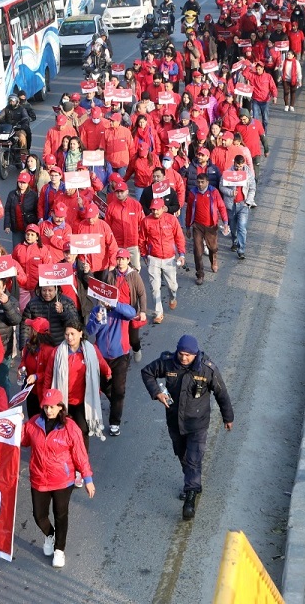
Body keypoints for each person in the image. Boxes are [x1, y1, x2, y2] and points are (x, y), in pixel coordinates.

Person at [140, 334, 234, 521]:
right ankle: (193, 482)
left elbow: (221, 393)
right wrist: (157, 392)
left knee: (193, 457)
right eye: (181, 354)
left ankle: (190, 498)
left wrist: (228, 417)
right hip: (175, 421)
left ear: (195, 354)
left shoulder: (207, 369)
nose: (184, 358)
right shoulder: (168, 363)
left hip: (197, 423)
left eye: (188, 355)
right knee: (182, 454)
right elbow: (147, 372)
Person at [21, 388, 95, 569]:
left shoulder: (70, 427)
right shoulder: (34, 423)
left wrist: (87, 478)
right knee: (39, 516)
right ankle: (49, 535)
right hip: (39, 478)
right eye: (46, 407)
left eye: (53, 407)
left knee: (60, 515)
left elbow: (80, 454)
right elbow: (23, 441)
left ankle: (59, 550)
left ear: (61, 407)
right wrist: (16, 423)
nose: (49, 410)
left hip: (63, 480)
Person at [83, 289, 138, 437]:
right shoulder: (97, 311)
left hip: (120, 356)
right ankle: (116, 404)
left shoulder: (120, 310)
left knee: (118, 390)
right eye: (102, 300)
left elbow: (132, 313)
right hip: (101, 358)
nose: (104, 303)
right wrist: (97, 320)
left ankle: (115, 422)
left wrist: (115, 305)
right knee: (105, 387)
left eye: (106, 300)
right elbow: (89, 331)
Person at [140, 197, 185, 324]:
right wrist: (144, 255)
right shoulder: (146, 221)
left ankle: (172, 298)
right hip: (153, 258)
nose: (155, 212)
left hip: (169, 258)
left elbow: (179, 237)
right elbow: (142, 239)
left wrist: (181, 254)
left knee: (173, 286)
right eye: (153, 209)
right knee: (155, 287)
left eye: (157, 209)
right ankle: (158, 313)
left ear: (163, 208)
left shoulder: (171, 219)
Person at [184, 172, 229, 284]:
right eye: (198, 182)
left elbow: (221, 207)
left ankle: (213, 260)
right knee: (197, 251)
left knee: (213, 248)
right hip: (197, 226)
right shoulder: (193, 193)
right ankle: (200, 274)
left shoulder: (214, 192)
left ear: (207, 182)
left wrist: (226, 222)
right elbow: (189, 210)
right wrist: (188, 227)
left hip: (211, 226)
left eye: (202, 182)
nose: (200, 184)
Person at [221, 153, 257, 260]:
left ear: (244, 164)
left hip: (243, 205)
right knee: (233, 227)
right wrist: (230, 193)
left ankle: (241, 250)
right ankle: (235, 241)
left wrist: (248, 202)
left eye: (241, 166)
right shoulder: (228, 173)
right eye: (237, 165)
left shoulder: (248, 174)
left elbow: (252, 188)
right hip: (231, 205)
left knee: (242, 227)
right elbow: (221, 186)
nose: (239, 168)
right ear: (234, 163)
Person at [3, 170, 39, 246]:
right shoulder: (12, 194)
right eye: (20, 182)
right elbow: (7, 211)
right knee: (17, 249)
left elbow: (37, 211)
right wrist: (7, 225)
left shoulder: (33, 195)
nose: (22, 185)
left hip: (29, 228)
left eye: (24, 183)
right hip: (16, 228)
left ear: (28, 183)